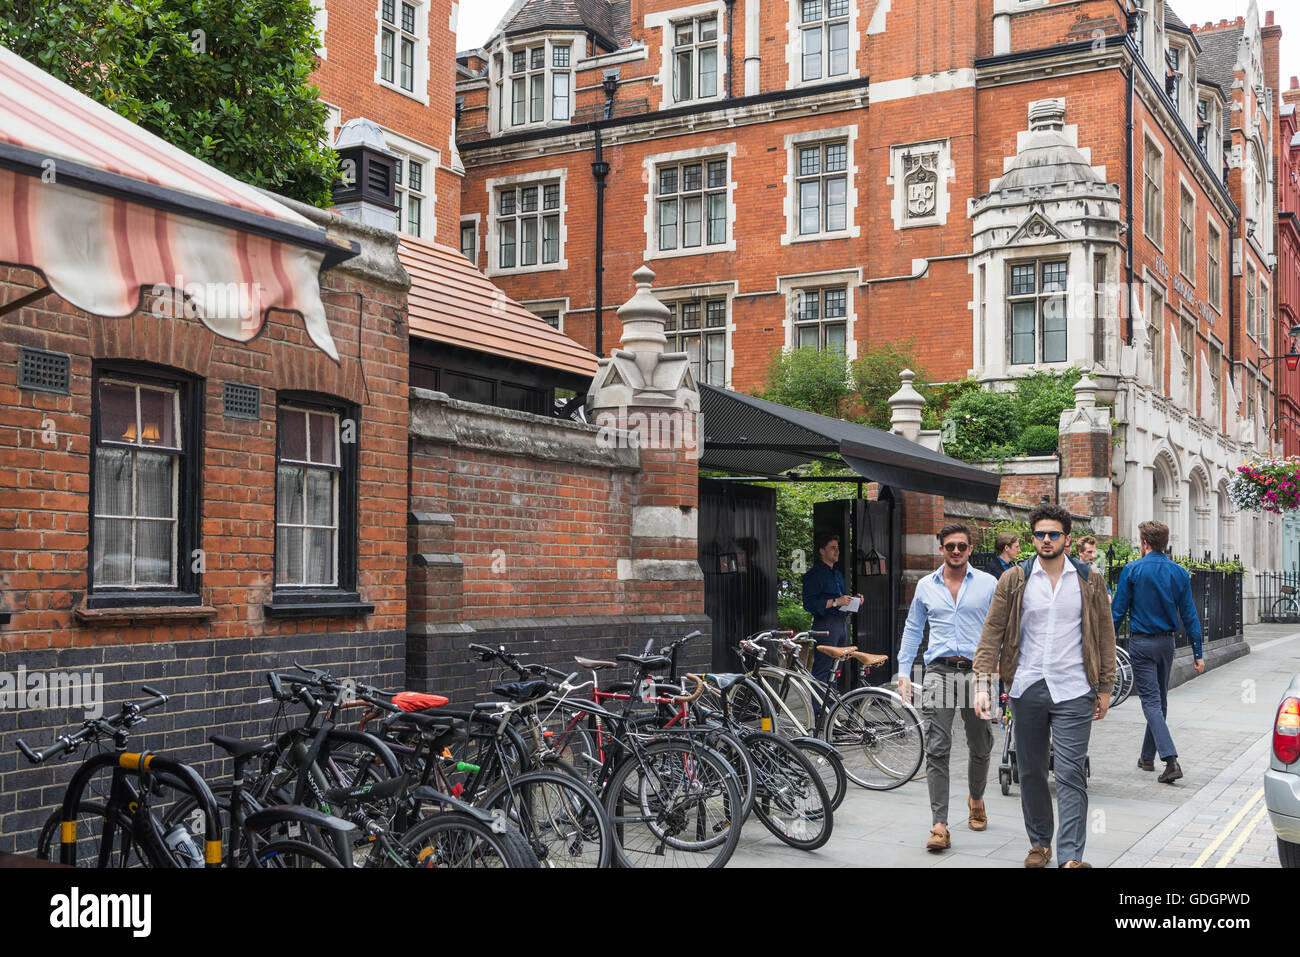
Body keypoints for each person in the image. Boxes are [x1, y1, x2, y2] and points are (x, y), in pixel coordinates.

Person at [973, 503, 1116, 869]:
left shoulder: (1089, 579)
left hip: (1074, 688)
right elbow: (992, 631)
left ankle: (1070, 857)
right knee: (1032, 771)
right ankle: (1040, 844)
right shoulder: (1015, 579)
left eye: (1054, 534)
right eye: (1040, 534)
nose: (1047, 540)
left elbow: (1104, 633)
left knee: (1069, 773)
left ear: (1067, 539)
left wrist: (1105, 686)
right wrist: (982, 683)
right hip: (1026, 686)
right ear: (1032, 538)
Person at [896, 523, 998, 852]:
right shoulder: (926, 586)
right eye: (950, 545)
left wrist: (999, 665)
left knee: (980, 744)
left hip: (977, 672)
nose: (956, 551)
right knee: (937, 747)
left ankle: (976, 798)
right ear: (941, 548)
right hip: (939, 672)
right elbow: (913, 629)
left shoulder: (988, 584)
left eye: (962, 546)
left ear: (970, 549)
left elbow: (1000, 627)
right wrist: (903, 670)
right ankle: (939, 825)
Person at [1110, 520, 1204, 784]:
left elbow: (1117, 613)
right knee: (1159, 702)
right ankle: (1146, 757)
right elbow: (1190, 616)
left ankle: (1171, 760)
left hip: (1141, 644)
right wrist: (1198, 653)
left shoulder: (1132, 570)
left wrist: (1105, 645)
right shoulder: (1179, 573)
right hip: (1166, 644)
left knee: (1151, 703)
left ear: (1145, 544)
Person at [801, 533, 862, 709]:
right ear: (822, 551)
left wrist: (854, 600)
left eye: (837, 548)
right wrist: (836, 601)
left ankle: (832, 713)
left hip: (841, 624)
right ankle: (821, 714)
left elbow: (842, 601)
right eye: (832, 548)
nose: (837, 551)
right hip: (825, 625)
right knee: (823, 670)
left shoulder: (837, 574)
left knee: (836, 670)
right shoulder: (813, 575)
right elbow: (809, 604)